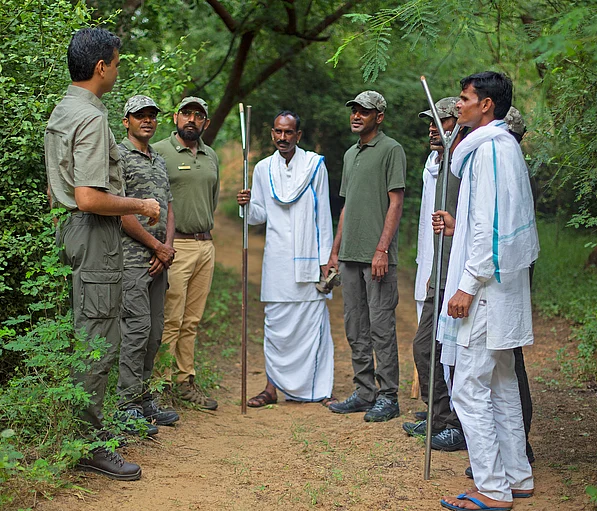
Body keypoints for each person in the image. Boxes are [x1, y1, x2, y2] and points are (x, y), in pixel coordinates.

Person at [45, 28, 160, 481]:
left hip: (75, 232)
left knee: (89, 331)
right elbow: (89, 197)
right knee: (98, 339)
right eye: (115, 63)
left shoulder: (64, 108)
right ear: (100, 67)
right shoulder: (91, 118)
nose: (116, 70)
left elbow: (59, 190)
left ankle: (86, 433)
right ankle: (89, 444)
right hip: (94, 233)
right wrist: (140, 205)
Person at [434, 72, 539, 511]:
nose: (458, 105)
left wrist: (467, 285)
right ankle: (517, 476)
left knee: (468, 387)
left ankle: (493, 488)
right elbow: (489, 220)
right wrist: (458, 230)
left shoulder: (489, 150)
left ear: (486, 105)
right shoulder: (501, 146)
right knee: (501, 381)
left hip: (487, 287)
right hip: (502, 282)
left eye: (464, 99)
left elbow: (490, 227)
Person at [236, 111, 334, 407]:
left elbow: (323, 215)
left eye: (288, 132)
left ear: (298, 135)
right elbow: (259, 215)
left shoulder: (314, 166)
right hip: (277, 260)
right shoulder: (263, 168)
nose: (283, 137)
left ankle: (318, 389)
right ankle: (271, 388)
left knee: (312, 325)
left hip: (309, 259)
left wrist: (326, 260)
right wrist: (246, 205)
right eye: (278, 132)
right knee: (276, 327)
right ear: (272, 133)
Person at [326, 91, 406, 423]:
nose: (356, 116)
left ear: (379, 117)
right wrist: (335, 251)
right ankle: (364, 391)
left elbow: (396, 202)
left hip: (377, 257)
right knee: (355, 326)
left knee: (381, 327)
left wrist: (382, 249)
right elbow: (346, 206)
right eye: (354, 110)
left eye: (364, 111)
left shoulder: (391, 149)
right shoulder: (350, 154)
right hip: (350, 256)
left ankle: (388, 396)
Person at [403, 98, 468, 452]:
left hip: (461, 278)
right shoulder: (438, 166)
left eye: (441, 121)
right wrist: (432, 269)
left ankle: (457, 424)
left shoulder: (465, 166)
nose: (432, 128)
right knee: (425, 347)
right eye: (430, 122)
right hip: (439, 273)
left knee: (453, 354)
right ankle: (439, 416)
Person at [116, 95, 180, 433]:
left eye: (152, 115)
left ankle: (143, 401)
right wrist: (156, 247)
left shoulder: (158, 159)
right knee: (137, 330)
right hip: (132, 259)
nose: (147, 120)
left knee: (155, 333)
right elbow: (122, 212)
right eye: (140, 115)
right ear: (126, 121)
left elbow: (168, 207)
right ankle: (126, 406)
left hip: (159, 261)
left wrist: (166, 248)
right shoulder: (118, 157)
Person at [152, 97, 220, 410]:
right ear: (176, 117)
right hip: (175, 246)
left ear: (205, 122)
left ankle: (185, 381)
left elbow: (212, 199)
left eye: (198, 115)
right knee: (171, 319)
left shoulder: (210, 156)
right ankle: (160, 386)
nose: (192, 119)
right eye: (186, 113)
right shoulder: (160, 152)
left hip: (205, 245)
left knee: (192, 320)